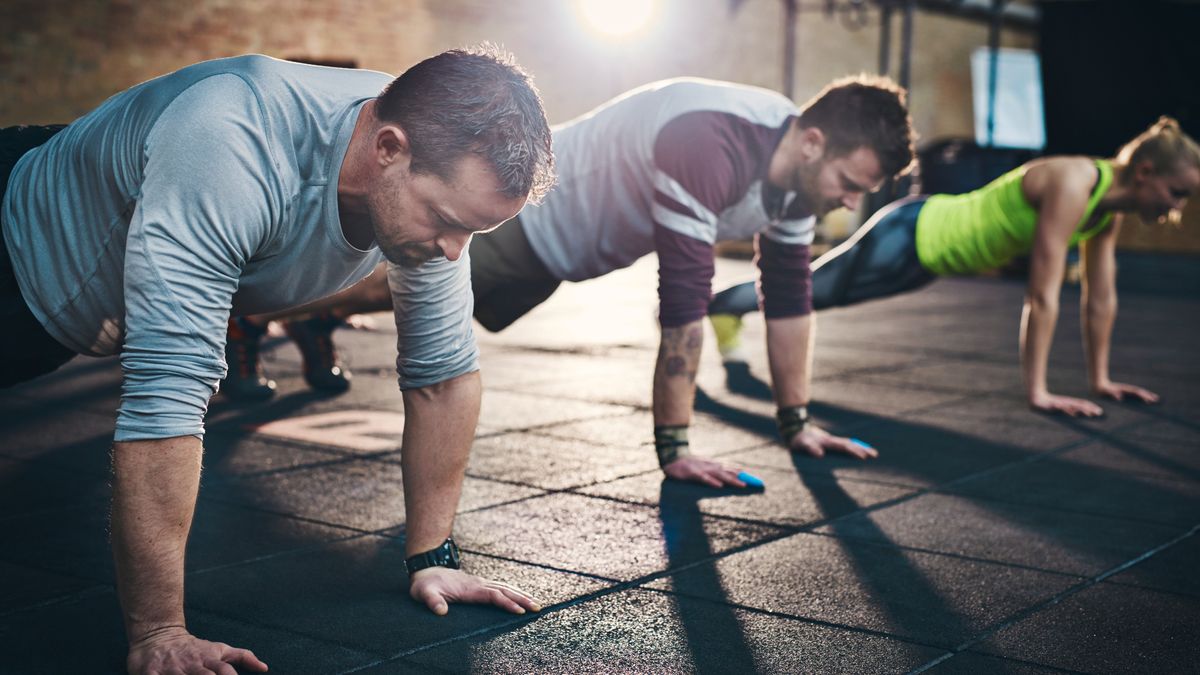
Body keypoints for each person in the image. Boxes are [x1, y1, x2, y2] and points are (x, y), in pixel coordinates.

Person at [0, 46, 554, 674]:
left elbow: (443, 376)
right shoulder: (232, 139)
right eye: (447, 222)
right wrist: (160, 632)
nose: (456, 252)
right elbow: (168, 392)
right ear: (389, 149)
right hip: (15, 250)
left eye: (473, 233)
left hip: (70, 295)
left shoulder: (429, 170)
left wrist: (433, 558)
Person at [253, 75, 918, 488]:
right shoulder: (710, 141)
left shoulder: (803, 184)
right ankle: (253, 312)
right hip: (528, 220)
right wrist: (675, 448)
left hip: (564, 257)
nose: (850, 202)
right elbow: (684, 304)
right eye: (850, 183)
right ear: (811, 144)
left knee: (402, 299)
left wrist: (796, 423)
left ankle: (309, 317)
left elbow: (791, 301)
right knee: (389, 286)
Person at [708, 116, 1200, 417]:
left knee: (820, 293)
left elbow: (1101, 299)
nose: (1176, 209)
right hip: (912, 233)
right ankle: (718, 306)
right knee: (810, 292)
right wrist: (1039, 393)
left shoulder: (1107, 209)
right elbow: (1043, 293)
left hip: (925, 260)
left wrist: (1101, 381)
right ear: (1145, 172)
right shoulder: (1075, 181)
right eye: (1177, 194)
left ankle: (726, 308)